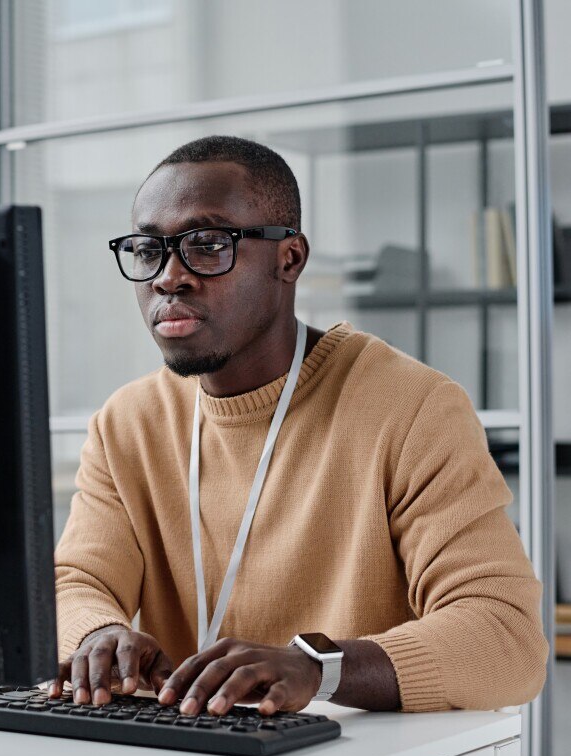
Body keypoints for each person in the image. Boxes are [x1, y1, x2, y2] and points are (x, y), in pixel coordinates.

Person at [49, 135, 547, 717]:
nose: (168, 277)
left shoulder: (412, 408)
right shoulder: (126, 424)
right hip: (188, 747)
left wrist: (321, 668)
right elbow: (74, 581)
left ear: (290, 259)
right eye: (147, 250)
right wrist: (96, 633)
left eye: (207, 245)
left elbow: (506, 637)